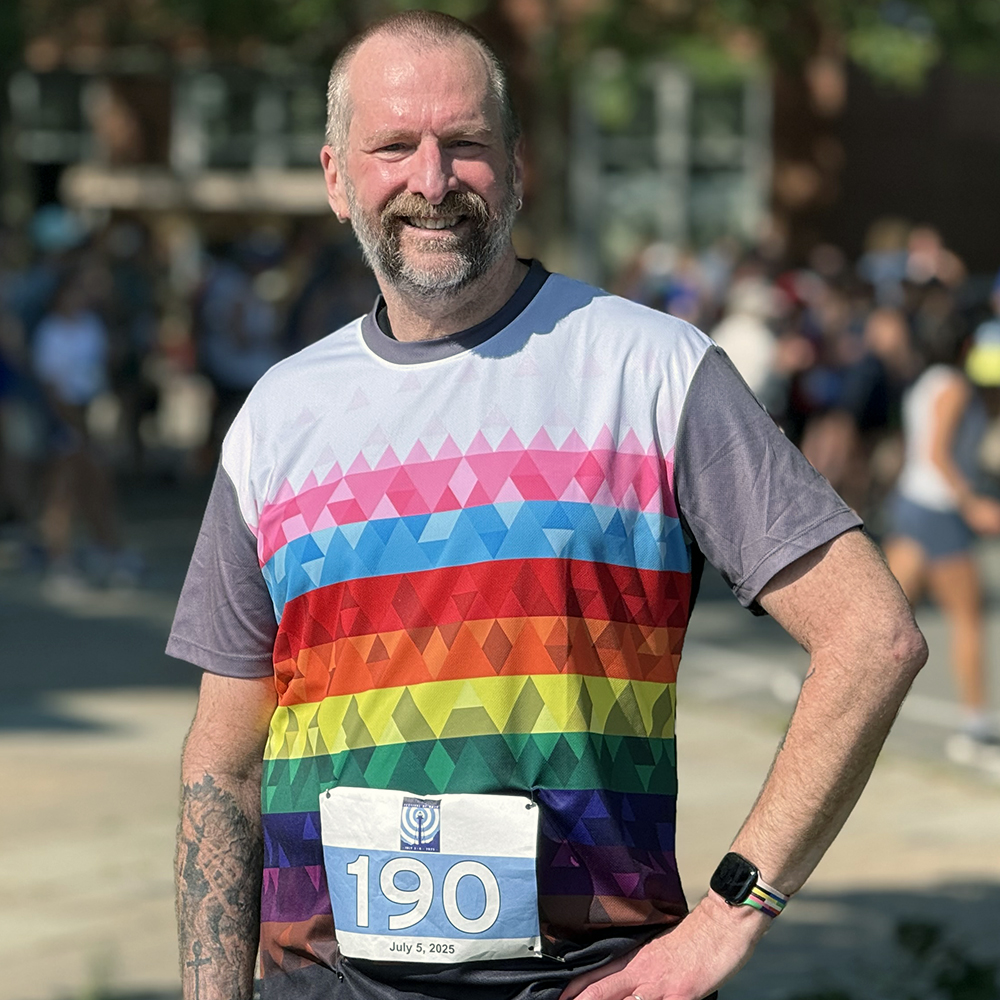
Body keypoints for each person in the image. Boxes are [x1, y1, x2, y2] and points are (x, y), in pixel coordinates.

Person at [168, 13, 926, 1000]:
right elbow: (221, 766)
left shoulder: (651, 371)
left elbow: (870, 638)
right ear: (335, 177)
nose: (432, 180)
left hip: (581, 982)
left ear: (517, 163)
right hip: (323, 982)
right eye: (393, 146)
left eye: (465, 144)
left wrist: (729, 918)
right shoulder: (277, 416)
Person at [884, 320, 1000, 762]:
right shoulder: (954, 387)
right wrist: (973, 504)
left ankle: (824, 704)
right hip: (939, 512)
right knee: (968, 619)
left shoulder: (929, 382)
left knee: (886, 625)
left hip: (912, 505)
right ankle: (974, 728)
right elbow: (938, 452)